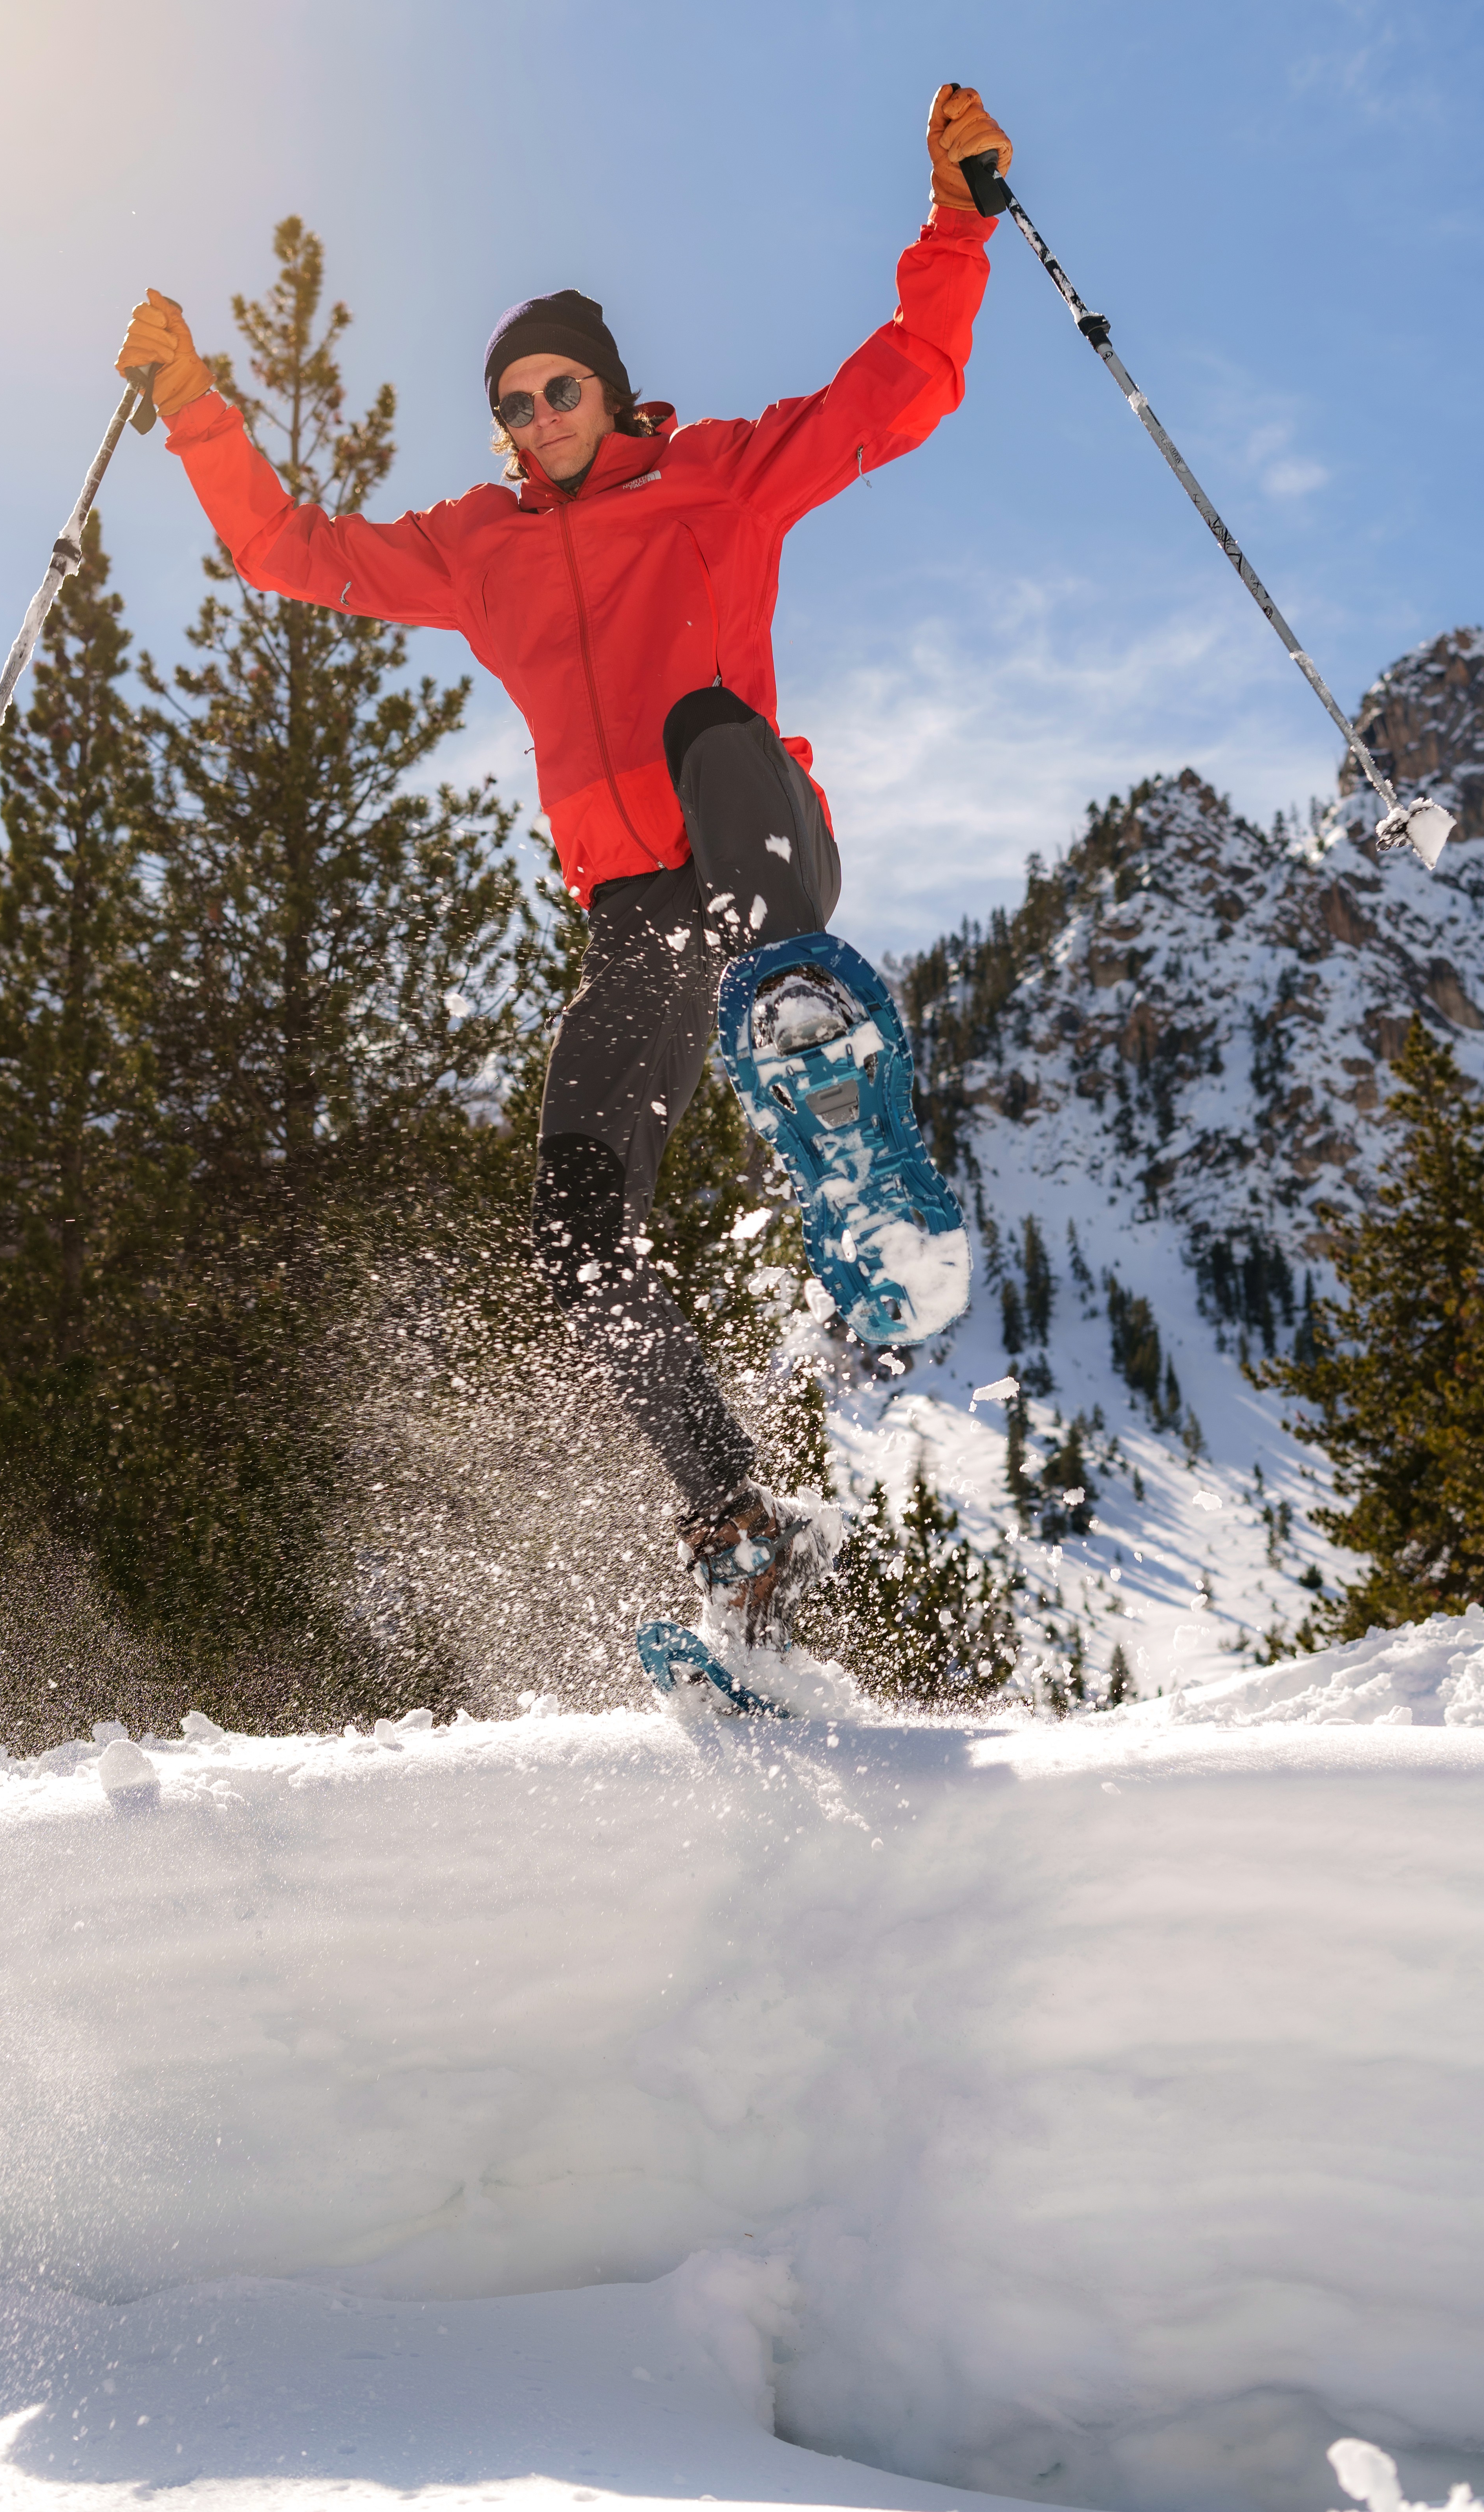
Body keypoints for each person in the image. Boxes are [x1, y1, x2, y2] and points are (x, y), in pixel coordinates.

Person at [116, 81, 1012, 1655]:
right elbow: (288, 551)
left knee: (706, 725)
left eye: (558, 389)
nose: (537, 418)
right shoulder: (480, 548)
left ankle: (823, 1068)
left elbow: (903, 386)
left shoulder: (718, 478)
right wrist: (196, 405)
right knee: (577, 1231)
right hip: (636, 923)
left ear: (609, 388)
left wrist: (956, 221)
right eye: (514, 405)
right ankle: (736, 1526)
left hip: (758, 852)